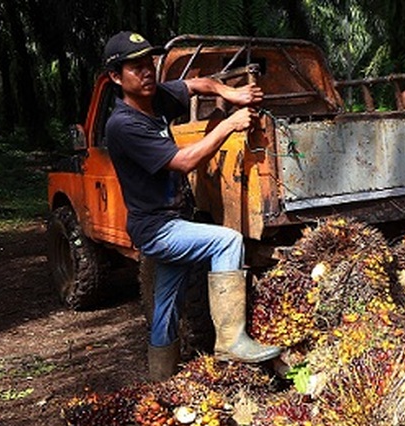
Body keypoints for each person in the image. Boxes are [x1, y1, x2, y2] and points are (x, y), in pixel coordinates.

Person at [103, 31, 281, 381]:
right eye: (135, 68)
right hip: (157, 229)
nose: (147, 72)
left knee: (166, 306)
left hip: (174, 221)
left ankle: (160, 382)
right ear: (115, 77)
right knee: (227, 241)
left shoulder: (155, 99)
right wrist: (229, 124)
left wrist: (230, 91)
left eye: (149, 64)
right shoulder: (123, 125)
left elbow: (196, 84)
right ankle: (231, 339)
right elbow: (184, 162)